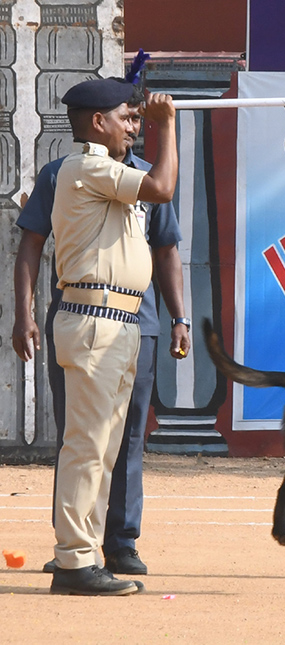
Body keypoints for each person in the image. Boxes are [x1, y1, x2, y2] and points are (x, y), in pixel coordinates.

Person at [12, 83, 191, 579]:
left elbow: (164, 245)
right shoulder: (89, 167)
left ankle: (92, 553)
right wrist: (169, 124)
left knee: (107, 447)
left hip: (123, 320)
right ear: (97, 123)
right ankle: (74, 557)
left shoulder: (114, 170)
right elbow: (162, 189)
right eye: (127, 118)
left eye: (139, 119)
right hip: (93, 318)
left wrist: (177, 316)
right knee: (87, 446)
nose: (136, 126)